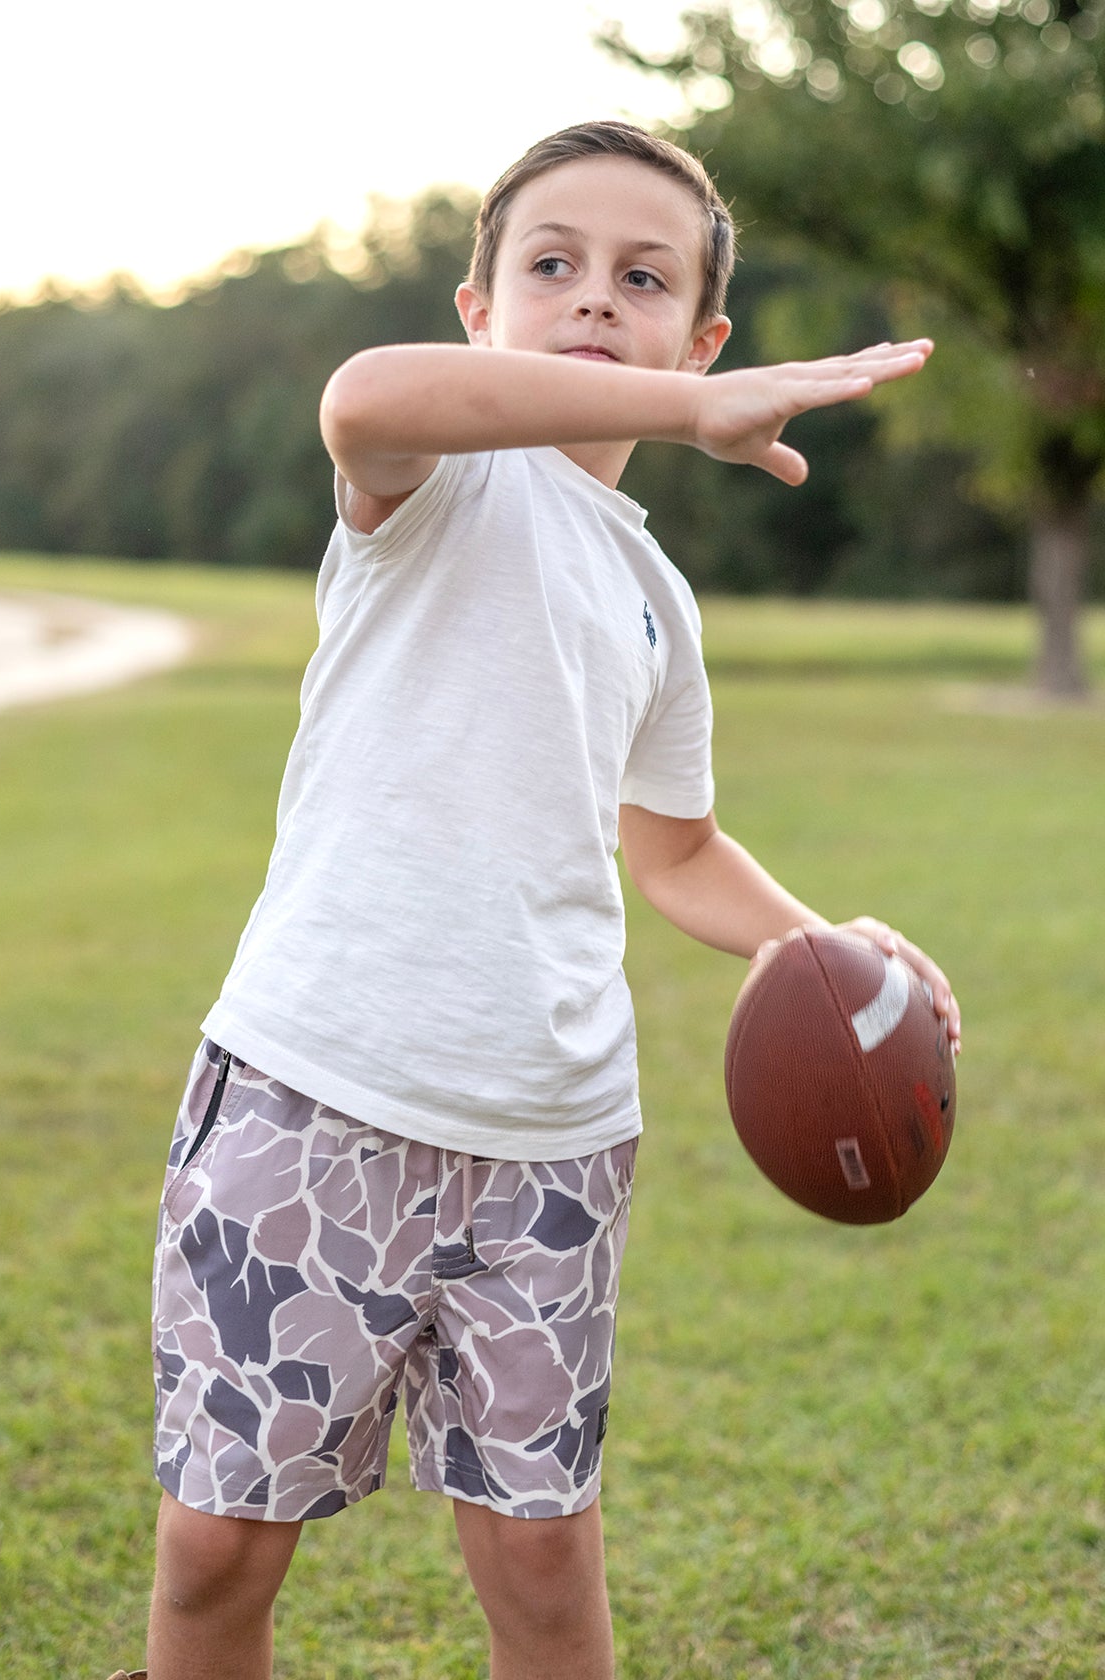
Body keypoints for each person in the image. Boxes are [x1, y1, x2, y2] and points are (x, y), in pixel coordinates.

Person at [109, 119, 961, 1680]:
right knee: (220, 1548)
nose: (590, 297)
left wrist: (826, 946)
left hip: (555, 1138)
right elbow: (366, 396)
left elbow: (678, 851)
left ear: (704, 335)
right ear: (477, 307)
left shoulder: (654, 603)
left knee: (546, 1569)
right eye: (549, 266)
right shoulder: (431, 493)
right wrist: (682, 409)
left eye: (641, 279)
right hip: (320, 1095)